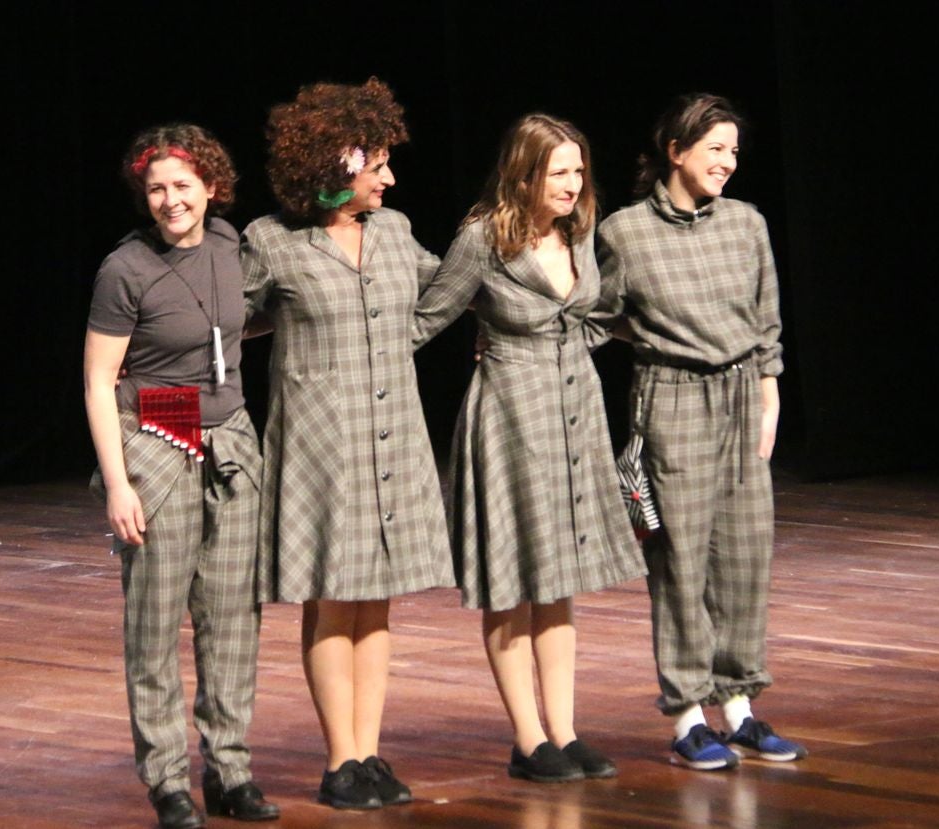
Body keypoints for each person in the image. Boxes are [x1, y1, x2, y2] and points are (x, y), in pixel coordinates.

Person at [239, 78, 454, 810]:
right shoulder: (272, 243)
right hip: (321, 447)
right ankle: (340, 758)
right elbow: (230, 323)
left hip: (392, 437)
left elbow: (445, 292)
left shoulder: (395, 232)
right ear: (339, 162)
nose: (389, 178)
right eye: (379, 164)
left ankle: (370, 751)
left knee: (377, 602)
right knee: (334, 600)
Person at [413, 114, 646, 782]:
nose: (573, 184)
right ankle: (527, 736)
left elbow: (592, 317)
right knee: (511, 581)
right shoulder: (482, 239)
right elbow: (428, 318)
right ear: (525, 174)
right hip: (511, 421)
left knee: (558, 580)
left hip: (574, 420)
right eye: (559, 171)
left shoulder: (579, 232)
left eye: (579, 170)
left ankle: (565, 732)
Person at [596, 93, 808, 771]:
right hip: (672, 398)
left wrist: (769, 391)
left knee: (745, 551)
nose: (728, 162)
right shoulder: (625, 232)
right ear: (676, 150)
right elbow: (597, 314)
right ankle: (689, 713)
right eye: (715, 148)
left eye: (735, 151)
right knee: (681, 557)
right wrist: (655, 338)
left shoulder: (746, 223)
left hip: (744, 394)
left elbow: (766, 315)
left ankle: (739, 707)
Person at [84, 124, 279, 827]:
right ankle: (167, 780)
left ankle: (231, 770)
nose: (170, 199)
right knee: (156, 621)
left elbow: (234, 326)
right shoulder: (125, 268)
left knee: (231, 618)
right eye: (156, 188)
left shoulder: (233, 245)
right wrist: (118, 483)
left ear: (211, 188)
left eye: (182, 186)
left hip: (230, 436)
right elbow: (100, 380)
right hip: (159, 432)